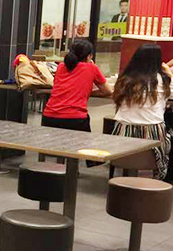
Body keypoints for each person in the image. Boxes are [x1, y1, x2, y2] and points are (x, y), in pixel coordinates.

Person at [112, 44, 173, 179]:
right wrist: (169, 72)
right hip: (153, 135)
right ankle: (159, 177)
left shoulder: (124, 79)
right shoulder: (163, 80)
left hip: (122, 133)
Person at [42, 39, 112, 133]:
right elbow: (108, 91)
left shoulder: (61, 66)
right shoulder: (92, 68)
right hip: (75, 119)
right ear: (88, 57)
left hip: (49, 117)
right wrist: (86, 93)